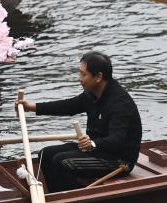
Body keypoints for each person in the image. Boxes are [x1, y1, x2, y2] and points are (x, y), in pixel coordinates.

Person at [16, 52, 143, 192]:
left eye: (84, 74)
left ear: (98, 77)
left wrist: (93, 143)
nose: (80, 79)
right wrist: (31, 107)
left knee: (61, 161)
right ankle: (56, 197)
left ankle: (69, 200)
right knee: (45, 154)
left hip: (118, 161)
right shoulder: (91, 94)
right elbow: (67, 106)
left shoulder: (119, 102)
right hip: (95, 151)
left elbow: (117, 139)